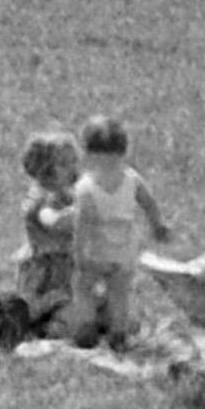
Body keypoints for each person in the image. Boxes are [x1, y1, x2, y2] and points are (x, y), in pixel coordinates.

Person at [67, 115, 171, 350]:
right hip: (124, 250)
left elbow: (83, 224)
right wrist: (158, 225)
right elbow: (148, 202)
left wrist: (80, 254)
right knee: (119, 293)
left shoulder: (86, 188)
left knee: (83, 287)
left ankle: (86, 327)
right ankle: (118, 333)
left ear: (89, 153)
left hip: (96, 250)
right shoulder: (132, 179)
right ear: (123, 150)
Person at [14, 130, 80, 337]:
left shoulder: (67, 194)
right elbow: (51, 220)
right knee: (72, 320)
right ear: (45, 170)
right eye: (63, 164)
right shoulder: (42, 199)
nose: (72, 169)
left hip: (69, 271)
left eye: (73, 162)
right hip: (47, 279)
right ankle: (43, 327)